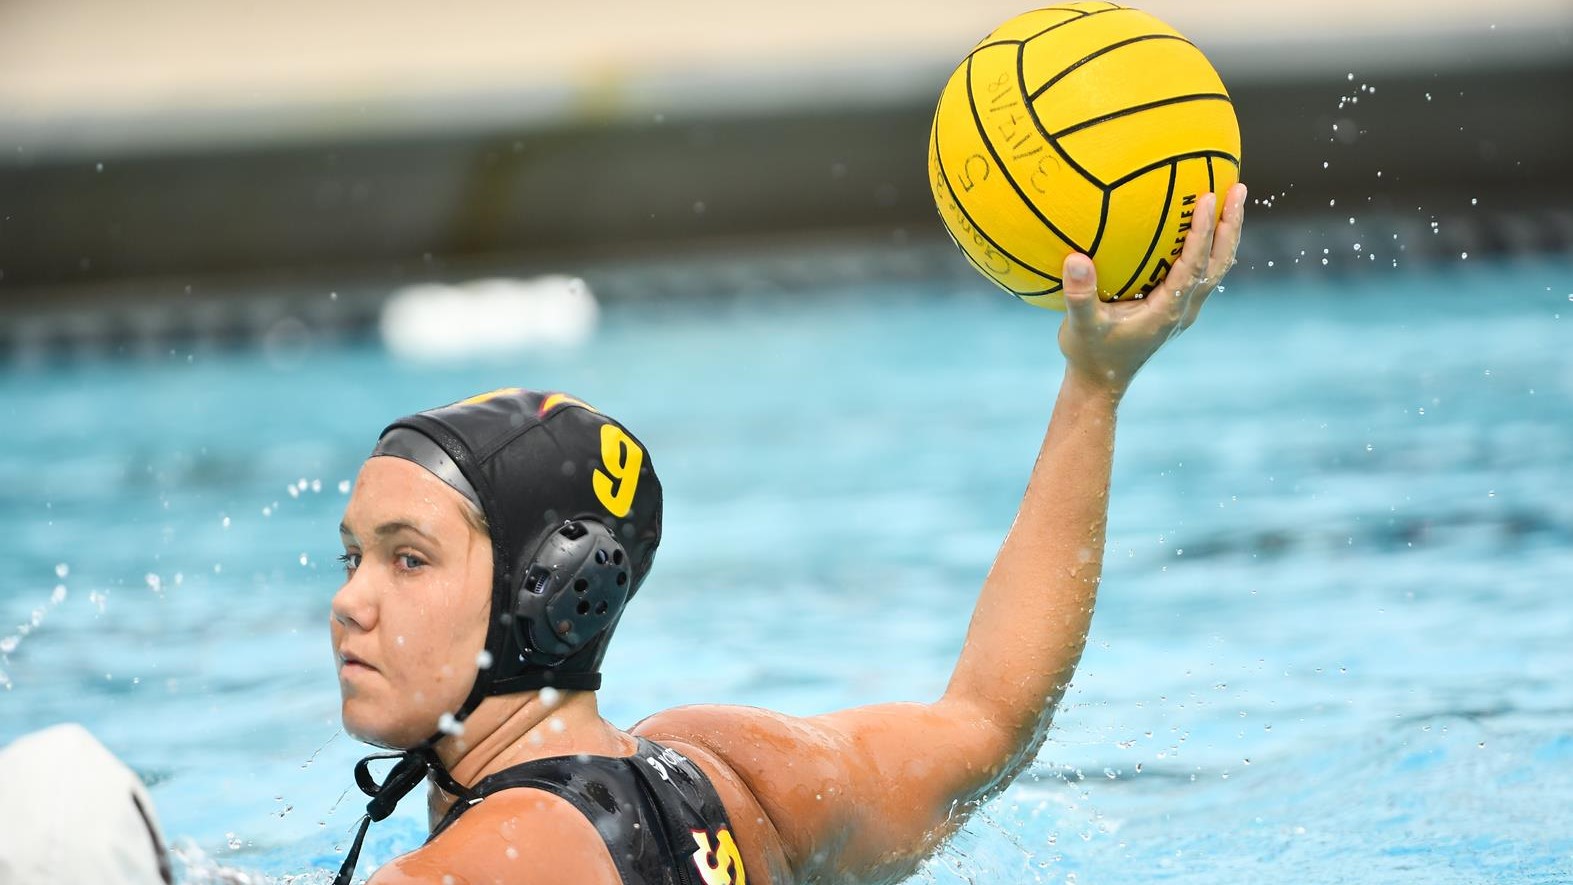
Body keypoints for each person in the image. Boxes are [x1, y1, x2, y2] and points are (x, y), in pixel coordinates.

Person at [329, 184, 1248, 885]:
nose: (348, 603)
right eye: (353, 556)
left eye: (409, 558)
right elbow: (988, 718)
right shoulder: (728, 775)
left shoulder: (465, 871)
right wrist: (1095, 385)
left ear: (556, 587)